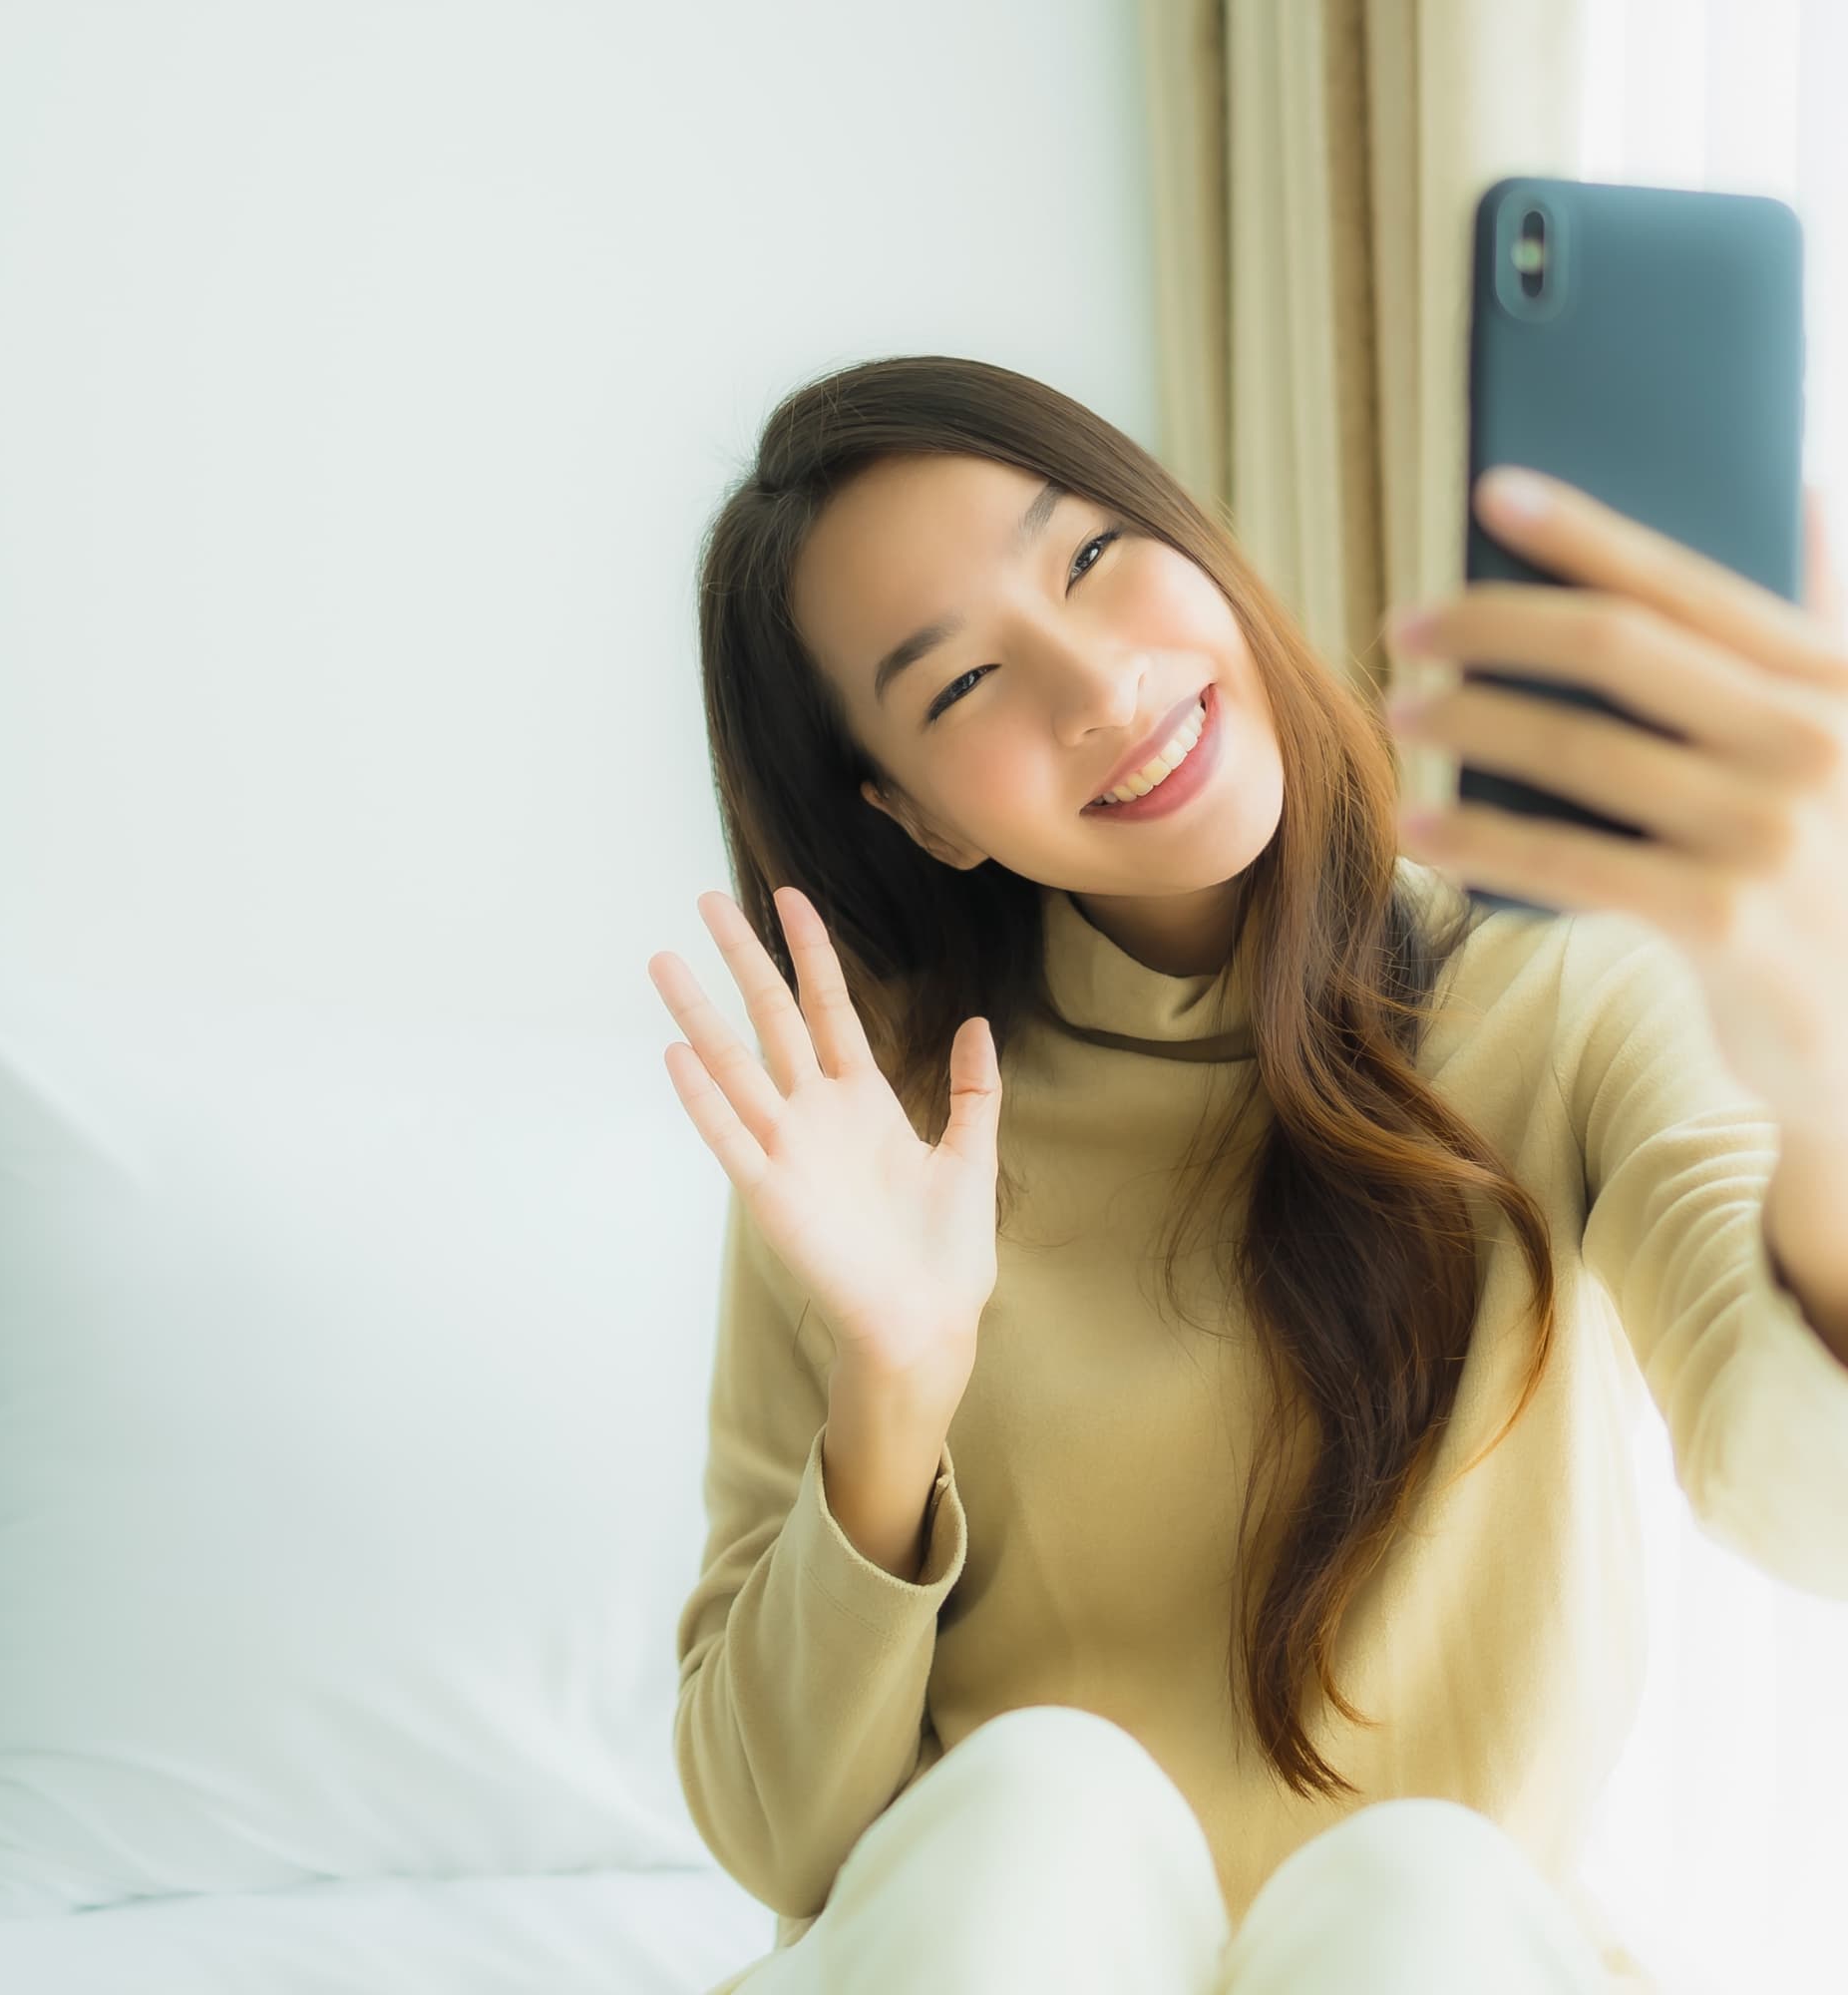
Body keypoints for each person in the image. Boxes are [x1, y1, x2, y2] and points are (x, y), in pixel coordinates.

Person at [646, 355, 1848, 1994]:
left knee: (1423, 1888)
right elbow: (774, 1834)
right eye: (959, 686)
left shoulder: (1556, 996)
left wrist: (1823, 1075)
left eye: (1086, 555)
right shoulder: (881, 1126)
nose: (1099, 682)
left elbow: (1810, 1503)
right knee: (1043, 1813)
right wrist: (894, 1393)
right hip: (989, 1948)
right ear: (916, 817)